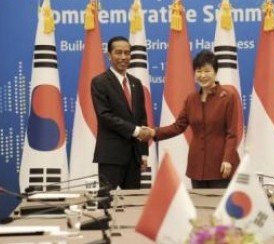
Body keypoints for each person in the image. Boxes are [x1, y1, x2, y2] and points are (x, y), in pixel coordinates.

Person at [147, 49, 241, 188]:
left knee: (219, 208)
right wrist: (153, 132)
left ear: (215, 72)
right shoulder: (191, 99)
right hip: (196, 165)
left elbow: (232, 133)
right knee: (199, 207)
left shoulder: (228, 96)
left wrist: (227, 159)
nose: (202, 75)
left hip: (221, 164)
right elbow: (178, 126)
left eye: (207, 71)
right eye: (198, 71)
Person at [91, 36, 150, 189]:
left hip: (134, 156)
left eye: (127, 53)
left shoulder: (136, 83)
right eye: (118, 52)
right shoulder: (100, 82)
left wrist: (143, 153)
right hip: (111, 156)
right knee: (107, 202)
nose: (123, 57)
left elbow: (142, 119)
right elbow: (104, 116)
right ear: (109, 55)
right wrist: (135, 131)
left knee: (132, 204)